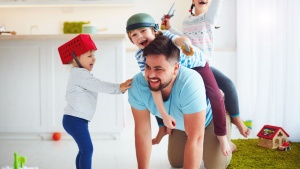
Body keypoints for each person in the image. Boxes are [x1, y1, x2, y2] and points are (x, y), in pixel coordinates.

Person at [126, 12, 232, 156]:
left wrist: (186, 45)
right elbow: (154, 84)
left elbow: (180, 40)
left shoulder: (165, 37)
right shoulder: (140, 56)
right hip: (174, 73)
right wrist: (163, 115)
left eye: (143, 31)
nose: (140, 37)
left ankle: (222, 135)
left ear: (155, 31)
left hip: (196, 66)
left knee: (215, 95)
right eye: (134, 35)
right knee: (159, 94)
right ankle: (163, 127)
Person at [162, 0, 250, 140]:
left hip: (203, 65)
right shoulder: (187, 20)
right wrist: (170, 28)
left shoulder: (209, 17)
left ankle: (236, 118)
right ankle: (167, 124)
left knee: (228, 85)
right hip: (189, 65)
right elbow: (184, 37)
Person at [58, 34, 132, 169]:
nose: (94, 58)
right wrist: (118, 87)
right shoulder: (80, 74)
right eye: (89, 56)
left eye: (94, 55)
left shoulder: (80, 74)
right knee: (87, 149)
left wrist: (119, 88)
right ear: (75, 60)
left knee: (83, 149)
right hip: (75, 120)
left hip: (75, 119)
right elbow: (99, 85)